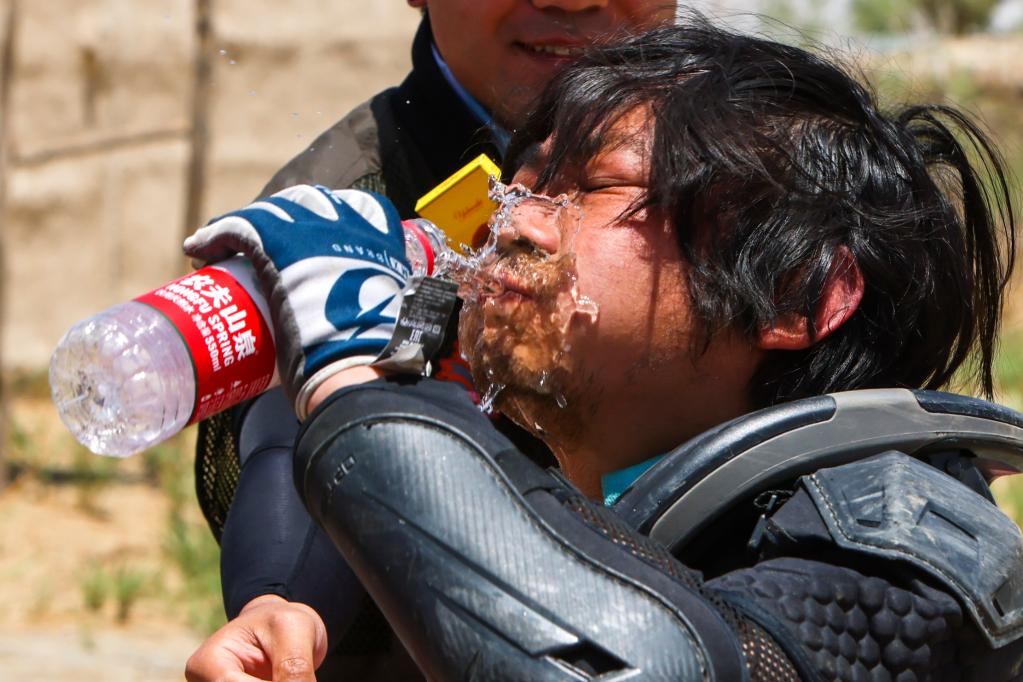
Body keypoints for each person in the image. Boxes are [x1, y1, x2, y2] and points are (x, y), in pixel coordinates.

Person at [184, 17, 1023, 681]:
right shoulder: (601, 494)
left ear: (795, 292)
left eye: (592, 186)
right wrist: (284, 606)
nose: (514, 221)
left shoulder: (904, 553)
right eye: (523, 184)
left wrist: (358, 389)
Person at [187, 1, 676, 680]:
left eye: (606, 191)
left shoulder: (762, 163)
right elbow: (297, 438)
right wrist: (278, 601)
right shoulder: (339, 216)